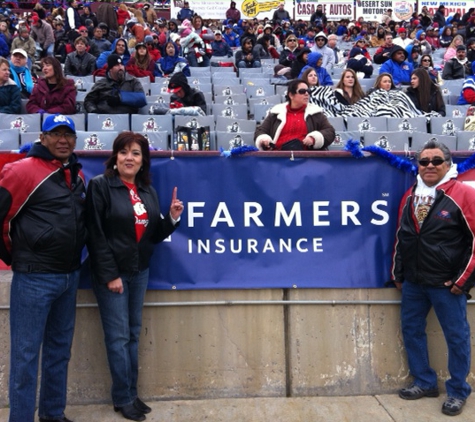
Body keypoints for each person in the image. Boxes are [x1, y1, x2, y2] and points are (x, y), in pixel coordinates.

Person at [86, 132, 183, 422]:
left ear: (143, 161)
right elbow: (95, 235)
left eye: (136, 153)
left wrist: (172, 218)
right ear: (115, 157)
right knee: (117, 338)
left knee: (131, 335)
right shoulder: (100, 186)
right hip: (112, 276)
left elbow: (152, 235)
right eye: (124, 152)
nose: (130, 158)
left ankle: (131, 393)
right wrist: (110, 275)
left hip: (139, 272)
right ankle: (122, 397)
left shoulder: (147, 192)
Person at [0, 113, 85, 422]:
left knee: (59, 352)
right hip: (35, 278)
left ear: (75, 139)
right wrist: (16, 257)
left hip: (69, 276)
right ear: (43, 137)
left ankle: (52, 413)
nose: (63, 140)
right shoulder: (22, 171)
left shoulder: (76, 174)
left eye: (68, 134)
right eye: (56, 133)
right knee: (25, 357)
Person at [390, 139, 475, 417]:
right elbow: (402, 237)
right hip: (414, 283)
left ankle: (458, 390)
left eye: (436, 161)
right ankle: (424, 381)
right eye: (424, 161)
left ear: (448, 165)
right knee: (412, 331)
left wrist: (462, 281)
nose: (429, 166)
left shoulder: (462, 194)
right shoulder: (411, 195)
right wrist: (399, 273)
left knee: (456, 337)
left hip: (446, 284)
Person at [254, 78, 335, 151]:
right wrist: (264, 140)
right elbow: (261, 131)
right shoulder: (276, 112)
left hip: (307, 158)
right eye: (302, 91)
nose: (307, 94)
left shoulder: (315, 112)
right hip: (279, 157)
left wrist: (314, 138)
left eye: (308, 91)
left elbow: (330, 131)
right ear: (291, 95)